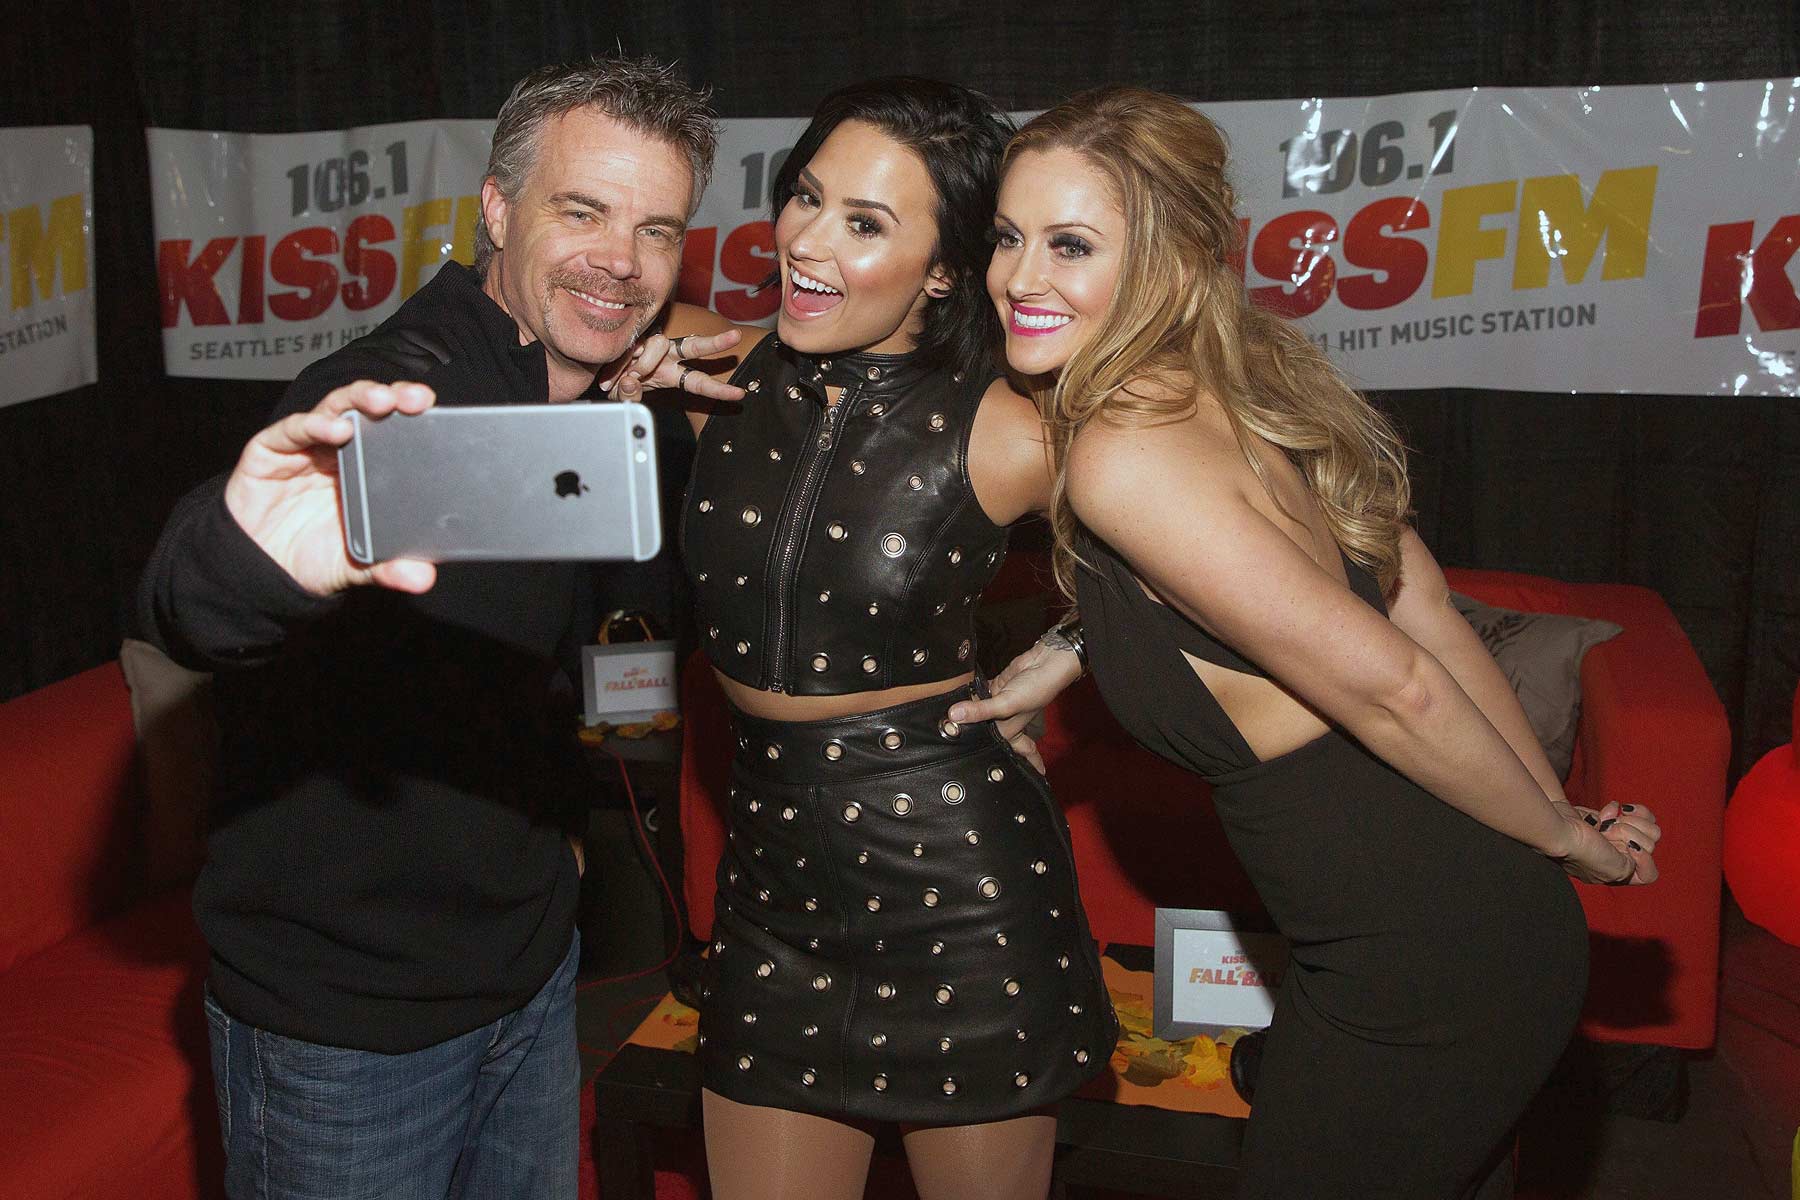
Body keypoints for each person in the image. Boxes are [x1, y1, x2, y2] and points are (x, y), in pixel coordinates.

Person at [947, 86, 1664, 1200]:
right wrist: (1551, 827)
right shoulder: (1243, 385)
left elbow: (1401, 687)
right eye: (1009, 236)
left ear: (1175, 258)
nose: (1019, 277)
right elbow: (1416, 604)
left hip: (1418, 975)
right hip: (1476, 926)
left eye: (1071, 244)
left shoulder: (1120, 455)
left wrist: (1569, 840)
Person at [136, 55, 741, 1200]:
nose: (623, 259)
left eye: (657, 229)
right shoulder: (405, 392)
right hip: (349, 1036)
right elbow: (189, 602)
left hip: (531, 982)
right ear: (498, 209)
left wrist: (643, 429)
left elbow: (630, 651)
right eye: (583, 211)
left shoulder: (587, 409)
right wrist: (245, 553)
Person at [610, 78, 1117, 1200]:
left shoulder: (1007, 425)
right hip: (767, 887)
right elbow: (541, 316)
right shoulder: (711, 363)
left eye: (865, 223)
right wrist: (605, 383)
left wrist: (1070, 651)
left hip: (958, 890)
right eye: (806, 197)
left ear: (944, 270)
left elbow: (1237, 539)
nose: (807, 241)